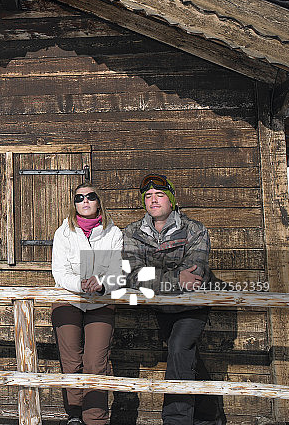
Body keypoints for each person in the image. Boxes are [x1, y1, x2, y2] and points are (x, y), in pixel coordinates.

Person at [122, 173, 224, 425]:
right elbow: (133, 276)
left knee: (179, 349)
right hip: (162, 308)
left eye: (159, 195)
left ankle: (175, 420)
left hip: (192, 305)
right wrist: (177, 278)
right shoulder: (132, 232)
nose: (153, 200)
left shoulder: (195, 229)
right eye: (148, 196)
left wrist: (156, 279)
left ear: (171, 200)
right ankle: (210, 416)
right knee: (185, 359)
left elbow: (195, 276)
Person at [51, 182, 123, 425]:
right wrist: (79, 283)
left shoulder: (113, 233)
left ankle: (95, 419)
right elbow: (59, 272)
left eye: (90, 196)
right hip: (68, 300)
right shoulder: (63, 233)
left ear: (98, 201)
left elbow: (118, 272)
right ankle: (74, 415)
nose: (85, 201)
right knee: (71, 361)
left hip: (100, 301)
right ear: (74, 204)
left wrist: (101, 282)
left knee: (95, 362)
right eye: (79, 197)